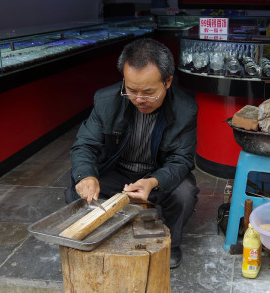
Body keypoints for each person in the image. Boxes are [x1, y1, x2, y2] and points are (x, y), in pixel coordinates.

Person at [66, 38, 199, 269]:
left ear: (167, 82)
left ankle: (171, 243)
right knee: (76, 187)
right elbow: (85, 144)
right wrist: (86, 175)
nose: (139, 99)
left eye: (148, 92)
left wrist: (154, 181)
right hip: (118, 171)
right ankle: (104, 236)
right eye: (131, 90)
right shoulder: (106, 100)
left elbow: (181, 160)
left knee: (185, 193)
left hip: (157, 173)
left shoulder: (185, 109)